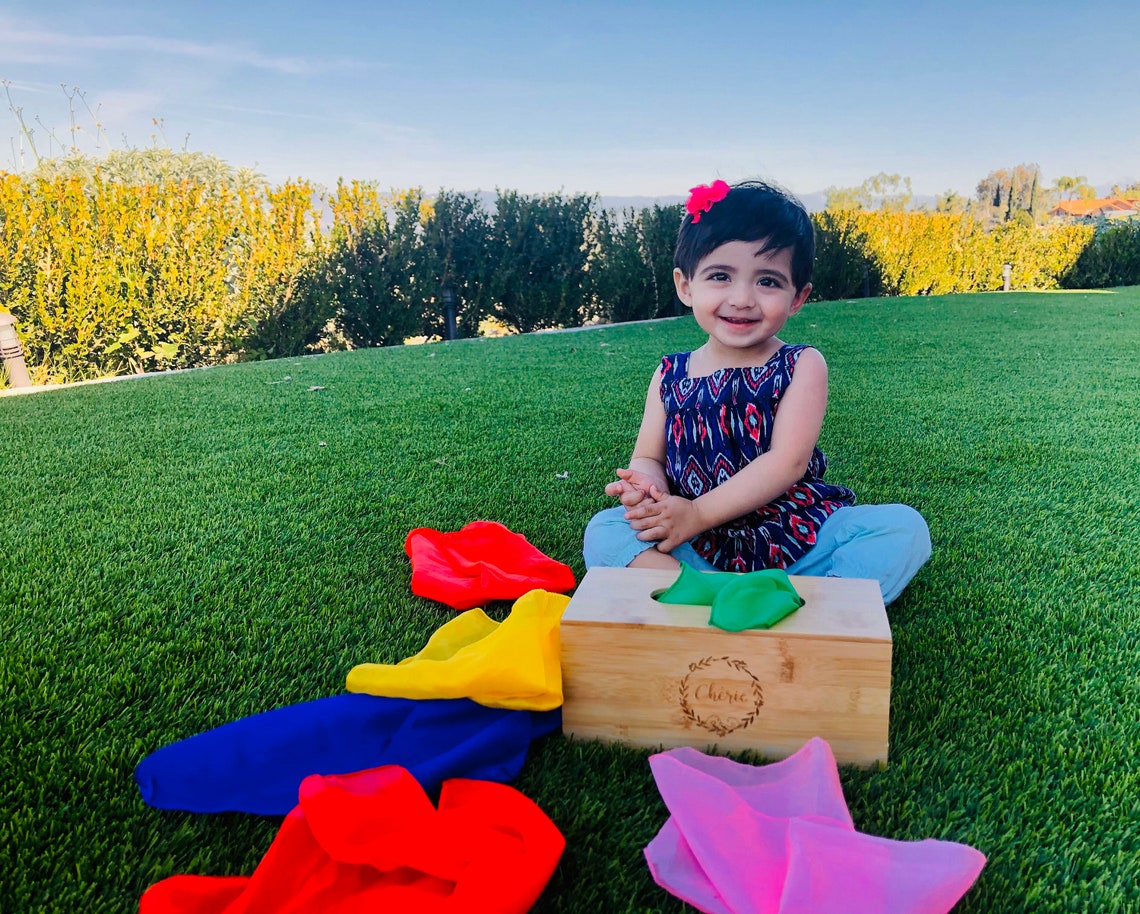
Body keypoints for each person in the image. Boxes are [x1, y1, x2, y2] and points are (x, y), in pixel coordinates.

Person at [583, 179, 930, 605]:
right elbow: (648, 456)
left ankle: (815, 601)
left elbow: (787, 462)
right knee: (606, 531)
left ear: (797, 296)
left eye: (767, 281)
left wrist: (696, 514)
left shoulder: (801, 365)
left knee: (902, 527)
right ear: (686, 285)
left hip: (797, 537)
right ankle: (731, 596)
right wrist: (648, 491)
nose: (743, 298)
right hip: (700, 545)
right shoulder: (669, 374)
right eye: (720, 276)